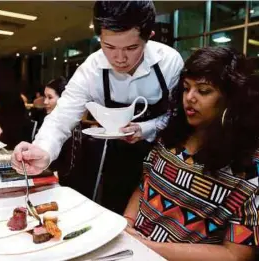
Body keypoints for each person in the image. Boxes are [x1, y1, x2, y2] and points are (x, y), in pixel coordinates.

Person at [11, 0, 184, 214]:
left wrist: (146, 129)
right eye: (109, 47)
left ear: (149, 37)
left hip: (164, 158)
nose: (119, 59)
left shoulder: (169, 62)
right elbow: (63, 115)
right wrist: (43, 150)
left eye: (131, 48)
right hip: (117, 158)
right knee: (113, 212)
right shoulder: (90, 69)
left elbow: (177, 116)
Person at [123, 47, 259, 261]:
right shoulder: (173, 135)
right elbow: (144, 186)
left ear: (232, 99)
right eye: (186, 88)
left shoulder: (257, 162)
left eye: (204, 91)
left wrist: (148, 247)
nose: (190, 98)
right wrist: (127, 224)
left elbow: (237, 255)